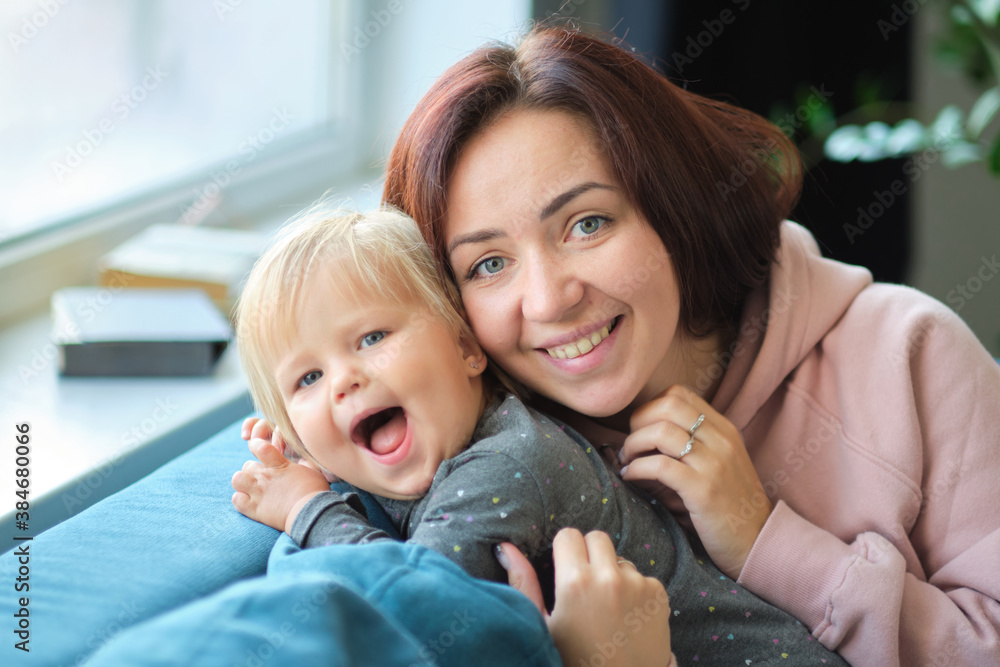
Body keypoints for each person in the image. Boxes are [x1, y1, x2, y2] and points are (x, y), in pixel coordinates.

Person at [376, 22, 1000, 666]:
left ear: (672, 207)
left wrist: (765, 539)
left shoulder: (909, 352)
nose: (549, 299)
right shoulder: (486, 468)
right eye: (488, 265)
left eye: (586, 224)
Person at [232, 205, 844, 665]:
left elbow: (411, 596)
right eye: (308, 378)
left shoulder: (509, 463)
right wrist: (313, 453)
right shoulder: (434, 440)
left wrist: (309, 508)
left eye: (372, 338)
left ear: (466, 348)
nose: (344, 381)